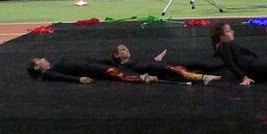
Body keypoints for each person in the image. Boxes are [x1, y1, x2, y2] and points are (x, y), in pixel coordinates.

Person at [109, 44, 222, 86]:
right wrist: (143, 77)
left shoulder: (135, 59)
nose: (127, 50)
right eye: (123, 49)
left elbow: (147, 62)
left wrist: (156, 58)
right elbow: (128, 75)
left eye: (127, 48)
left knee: (197, 64)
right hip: (159, 69)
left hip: (160, 64)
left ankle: (224, 64)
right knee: (181, 71)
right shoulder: (122, 66)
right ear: (117, 55)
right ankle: (203, 78)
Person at [26, 57, 157, 84]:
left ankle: (151, 66)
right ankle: (140, 77)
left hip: (90, 64)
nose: (44, 59)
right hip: (89, 68)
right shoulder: (49, 73)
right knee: (113, 71)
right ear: (37, 67)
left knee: (117, 65)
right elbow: (62, 77)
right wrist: (79, 79)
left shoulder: (55, 66)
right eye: (40, 60)